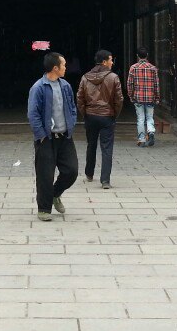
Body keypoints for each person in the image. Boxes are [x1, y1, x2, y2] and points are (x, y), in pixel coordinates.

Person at [28, 51, 78, 221]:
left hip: (65, 136)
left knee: (72, 171)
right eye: (64, 65)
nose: (66, 68)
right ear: (55, 68)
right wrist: (41, 135)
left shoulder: (65, 86)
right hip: (46, 139)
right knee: (45, 175)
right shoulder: (39, 87)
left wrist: (71, 123)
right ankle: (43, 208)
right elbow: (32, 114)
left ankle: (55, 194)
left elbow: (72, 106)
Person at [77, 49, 123, 189]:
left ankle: (89, 174)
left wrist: (85, 114)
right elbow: (119, 99)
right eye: (110, 60)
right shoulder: (113, 77)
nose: (112, 62)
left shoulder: (85, 77)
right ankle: (105, 181)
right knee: (107, 148)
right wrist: (115, 114)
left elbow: (80, 98)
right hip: (107, 116)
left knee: (91, 145)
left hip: (90, 116)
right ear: (104, 61)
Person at [127, 46, 160, 148]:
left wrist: (130, 95)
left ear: (137, 56)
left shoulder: (133, 68)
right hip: (150, 97)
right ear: (147, 55)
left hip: (138, 97)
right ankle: (150, 133)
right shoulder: (153, 68)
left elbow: (129, 84)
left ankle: (141, 140)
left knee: (140, 119)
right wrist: (157, 97)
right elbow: (156, 84)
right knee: (150, 117)